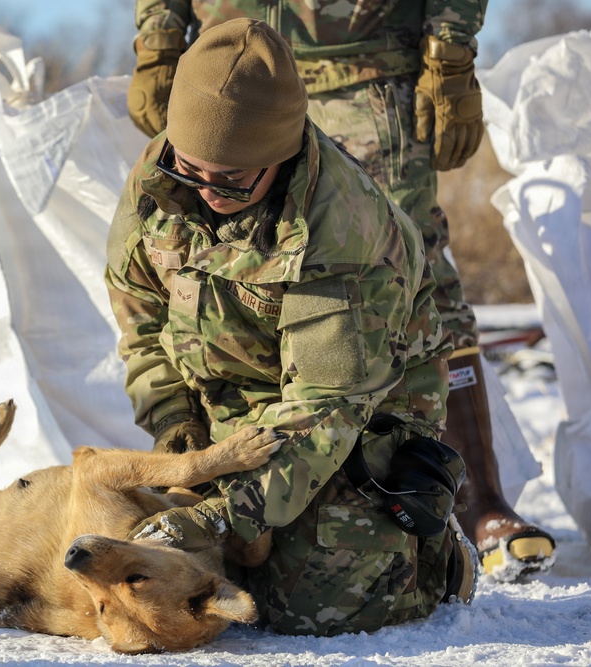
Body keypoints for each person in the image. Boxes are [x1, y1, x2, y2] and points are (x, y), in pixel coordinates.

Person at [124, 0, 555, 580]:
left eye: (226, 180)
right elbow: (141, 310)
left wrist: (450, 47)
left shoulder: (347, 216)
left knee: (407, 277)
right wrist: (159, 36)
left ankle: (470, 502)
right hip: (220, 67)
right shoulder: (163, 172)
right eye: (188, 173)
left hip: (365, 65)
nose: (204, 190)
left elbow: (332, 392)